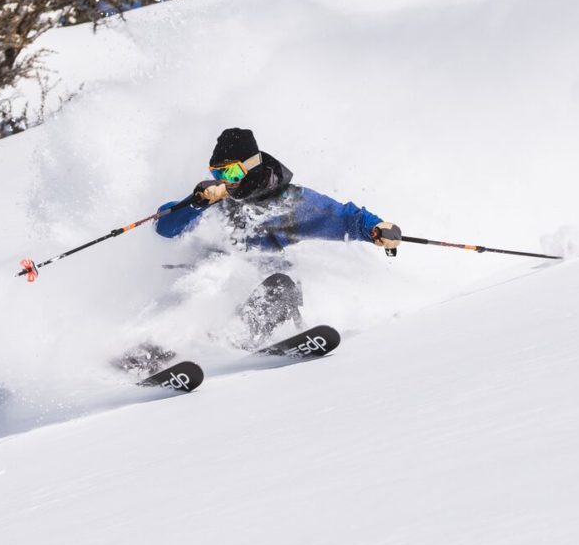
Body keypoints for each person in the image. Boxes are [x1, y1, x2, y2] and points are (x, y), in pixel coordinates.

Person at [117, 128, 400, 372]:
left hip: (260, 291)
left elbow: (343, 218)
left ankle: (237, 340)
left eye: (230, 171)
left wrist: (376, 229)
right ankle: (149, 346)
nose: (225, 180)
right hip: (207, 289)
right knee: (204, 277)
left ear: (251, 166)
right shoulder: (211, 199)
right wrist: (197, 202)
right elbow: (165, 227)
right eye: (217, 172)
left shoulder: (292, 204)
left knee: (281, 284)